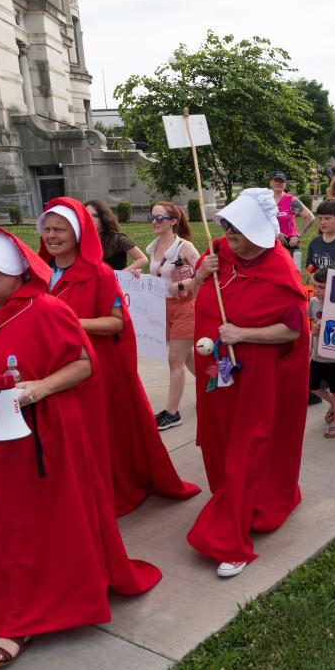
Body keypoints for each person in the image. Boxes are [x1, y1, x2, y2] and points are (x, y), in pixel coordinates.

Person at [0, 228, 161, 667]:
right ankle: (29, 595)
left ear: (17, 268)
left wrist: (38, 388)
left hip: (36, 444)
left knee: (23, 527)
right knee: (5, 526)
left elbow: (84, 364)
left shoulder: (46, 310)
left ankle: (20, 621)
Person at [37, 197, 200, 516]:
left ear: (78, 233)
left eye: (60, 229)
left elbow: (118, 322)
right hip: (55, 367)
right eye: (47, 229)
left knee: (99, 435)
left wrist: (71, 323)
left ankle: (103, 489)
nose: (52, 235)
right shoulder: (40, 274)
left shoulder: (100, 274)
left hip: (95, 367)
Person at [188, 188, 308, 578]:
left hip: (258, 378)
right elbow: (193, 294)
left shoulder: (279, 268)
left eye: (236, 228)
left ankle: (230, 535)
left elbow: (292, 331)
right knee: (224, 441)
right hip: (219, 375)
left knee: (248, 445)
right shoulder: (218, 253)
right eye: (226, 225)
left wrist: (242, 335)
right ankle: (244, 502)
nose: (228, 233)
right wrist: (199, 276)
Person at [144, 201, 201, 429]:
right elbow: (157, 275)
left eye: (160, 218)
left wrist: (183, 284)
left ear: (174, 222)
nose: (155, 222)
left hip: (186, 307)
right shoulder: (152, 247)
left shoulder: (184, 247)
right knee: (186, 357)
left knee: (174, 360)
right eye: (153, 218)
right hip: (163, 308)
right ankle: (215, 383)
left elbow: (203, 274)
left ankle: (172, 413)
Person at [308, 266, 335, 438]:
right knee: (313, 386)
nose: (317, 291)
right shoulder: (313, 303)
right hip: (318, 355)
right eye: (315, 286)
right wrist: (313, 335)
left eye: (322, 287)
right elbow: (311, 323)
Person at [86, 199, 148, 272]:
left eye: (95, 215)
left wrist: (121, 274)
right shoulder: (83, 239)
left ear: (104, 217)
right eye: (86, 215)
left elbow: (143, 259)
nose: (90, 218)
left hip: (115, 282)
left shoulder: (118, 239)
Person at [271, 171, 316, 251]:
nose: (278, 183)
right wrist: (277, 232)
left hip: (288, 244)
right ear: (271, 183)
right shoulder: (264, 200)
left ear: (285, 184)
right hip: (269, 244)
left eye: (281, 181)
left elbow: (310, 217)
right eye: (276, 180)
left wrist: (298, 236)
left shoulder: (291, 200)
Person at [305, 199, 335, 270]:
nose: (322, 222)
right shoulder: (314, 242)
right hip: (317, 280)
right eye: (320, 218)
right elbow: (309, 265)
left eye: (327, 218)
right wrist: (312, 276)